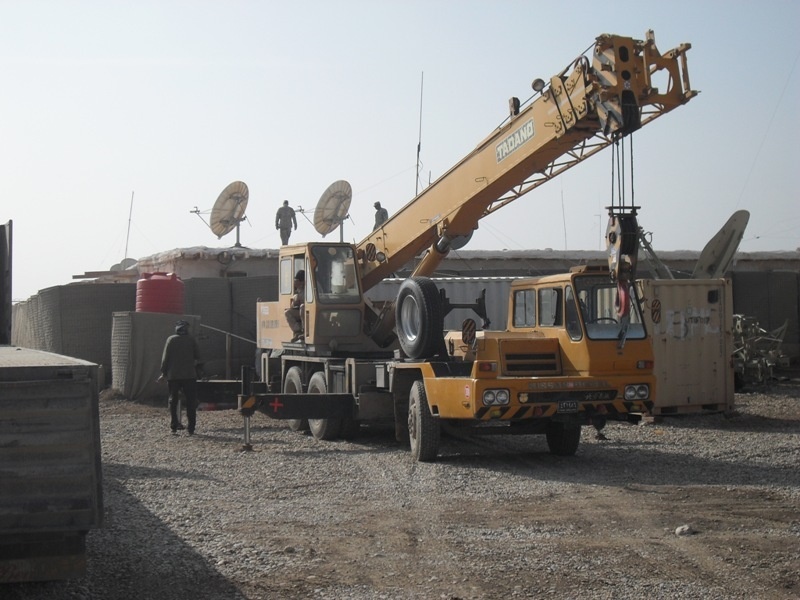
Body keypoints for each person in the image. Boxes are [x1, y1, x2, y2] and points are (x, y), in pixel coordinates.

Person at [158, 320, 201, 435]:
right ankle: (191, 428)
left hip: (174, 375)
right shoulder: (191, 340)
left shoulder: (171, 340)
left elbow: (165, 358)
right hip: (189, 375)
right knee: (191, 402)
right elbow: (198, 356)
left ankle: (174, 426)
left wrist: (163, 373)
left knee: (173, 400)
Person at [285, 270, 305, 342]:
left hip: (311, 311)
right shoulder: (300, 288)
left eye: (297, 281)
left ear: (302, 281)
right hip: (303, 311)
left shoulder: (311, 286)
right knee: (288, 312)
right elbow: (296, 301)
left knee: (303, 307)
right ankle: (298, 331)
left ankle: (304, 331)